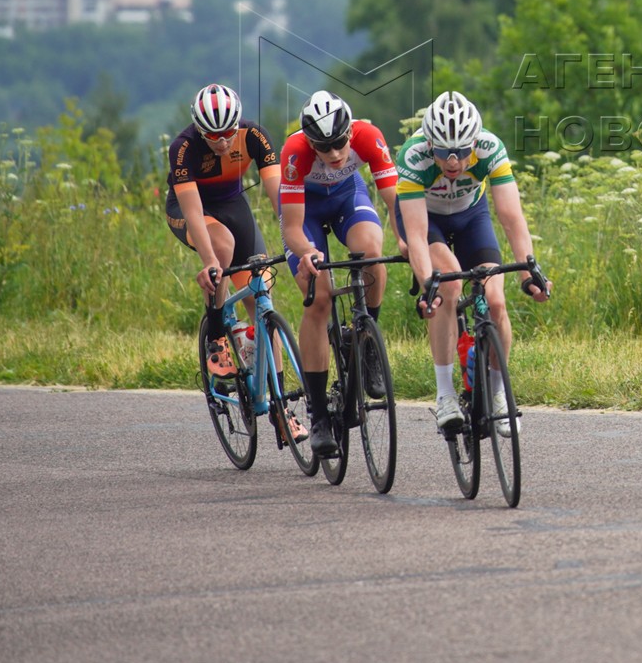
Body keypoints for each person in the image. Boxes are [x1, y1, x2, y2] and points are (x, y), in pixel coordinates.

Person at [394, 90, 549, 435]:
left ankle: (498, 394)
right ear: (429, 143)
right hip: (426, 220)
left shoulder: (491, 148)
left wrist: (529, 271)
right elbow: (417, 236)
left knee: (495, 299)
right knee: (447, 283)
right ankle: (445, 394)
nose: (453, 162)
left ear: (474, 143)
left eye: (463, 152)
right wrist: (426, 283)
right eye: (444, 152)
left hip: (470, 216)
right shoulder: (413, 156)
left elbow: (511, 218)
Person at [164, 83, 292, 437]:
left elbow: (279, 197)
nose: (222, 141)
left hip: (234, 206)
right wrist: (208, 263)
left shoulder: (254, 136)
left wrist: (294, 239)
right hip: (192, 209)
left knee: (261, 293)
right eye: (213, 135)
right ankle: (217, 336)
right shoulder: (183, 148)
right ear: (199, 129)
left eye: (227, 133)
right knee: (221, 246)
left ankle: (279, 407)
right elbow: (191, 209)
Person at [278, 90, 400, 457]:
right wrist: (308, 253)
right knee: (319, 297)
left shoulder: (368, 135)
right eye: (323, 147)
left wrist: (410, 242)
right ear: (310, 142)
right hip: (307, 216)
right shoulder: (294, 152)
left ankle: (365, 343)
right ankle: (317, 415)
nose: (333, 155)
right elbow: (293, 228)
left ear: (350, 132)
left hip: (348, 197)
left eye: (339, 144)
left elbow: (397, 203)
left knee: (372, 254)